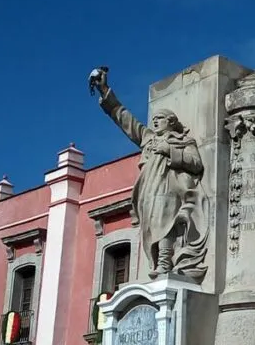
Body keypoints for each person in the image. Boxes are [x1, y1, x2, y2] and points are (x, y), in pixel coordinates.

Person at [89, 68, 209, 283]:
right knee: (150, 228)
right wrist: (105, 91)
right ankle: (157, 264)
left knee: (166, 225)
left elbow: (196, 163)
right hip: (147, 191)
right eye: (154, 119)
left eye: (160, 119)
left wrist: (170, 151)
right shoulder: (148, 138)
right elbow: (125, 119)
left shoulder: (182, 141)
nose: (155, 122)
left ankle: (165, 262)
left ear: (171, 122)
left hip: (168, 189)